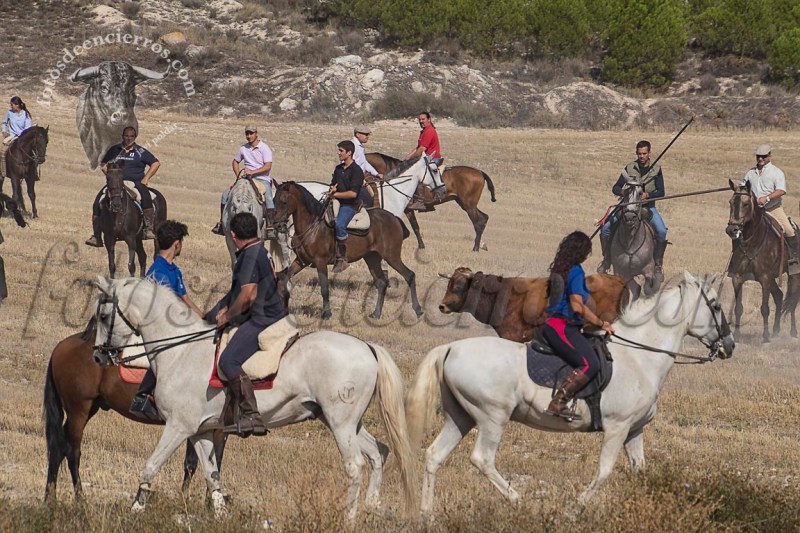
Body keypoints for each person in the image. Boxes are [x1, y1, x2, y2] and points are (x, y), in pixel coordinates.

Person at [206, 212, 284, 437]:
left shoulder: (248, 256)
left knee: (228, 361)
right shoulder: (259, 249)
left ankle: (252, 415)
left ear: (233, 235)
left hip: (263, 319)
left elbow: (248, 296)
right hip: (270, 312)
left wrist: (228, 316)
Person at [130, 220, 203, 420]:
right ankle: (142, 395)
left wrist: (202, 316)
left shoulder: (174, 269)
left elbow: (184, 298)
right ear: (176, 244)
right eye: (182, 243)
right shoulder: (157, 272)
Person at [543, 231, 614, 420]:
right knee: (591, 363)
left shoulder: (560, 268)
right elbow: (577, 306)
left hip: (554, 324)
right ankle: (558, 401)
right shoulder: (576, 271)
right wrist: (600, 323)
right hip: (562, 327)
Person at [598, 140, 667, 280]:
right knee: (605, 228)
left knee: (661, 231)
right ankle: (606, 260)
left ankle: (658, 265)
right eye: (639, 153)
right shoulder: (629, 168)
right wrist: (624, 192)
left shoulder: (656, 169)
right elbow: (615, 187)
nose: (642, 156)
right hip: (627, 206)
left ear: (649, 153)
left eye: (644, 153)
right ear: (636, 153)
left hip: (647, 207)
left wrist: (648, 195)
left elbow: (661, 192)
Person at [85, 126, 161, 246]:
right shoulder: (114, 150)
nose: (128, 139)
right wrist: (111, 177)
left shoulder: (140, 151)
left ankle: (148, 228)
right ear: (122, 136)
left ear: (135, 137)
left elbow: (156, 163)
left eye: (131, 136)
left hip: (135, 183)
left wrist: (146, 178)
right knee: (98, 201)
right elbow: (103, 164)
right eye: (126, 136)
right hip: (116, 184)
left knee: (146, 197)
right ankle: (96, 236)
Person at [742, 144, 799, 267]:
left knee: (789, 230)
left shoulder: (776, 172)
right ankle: (737, 261)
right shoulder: (750, 173)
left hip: (773, 208)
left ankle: (794, 259)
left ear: (769, 156)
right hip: (754, 211)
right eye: (758, 156)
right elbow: (743, 188)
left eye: (763, 156)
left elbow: (781, 190)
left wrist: (767, 198)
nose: (760, 159)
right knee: (737, 229)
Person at [212, 125, 274, 235]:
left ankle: (270, 226)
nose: (249, 136)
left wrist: (253, 172)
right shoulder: (243, 148)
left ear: (256, 134)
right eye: (247, 134)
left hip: (261, 179)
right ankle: (222, 223)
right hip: (246, 179)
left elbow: (267, 166)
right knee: (225, 195)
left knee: (268, 196)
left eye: (251, 133)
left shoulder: (264, 148)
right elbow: (235, 162)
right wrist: (238, 176)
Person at [329, 140, 364, 273]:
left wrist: (335, 194)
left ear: (349, 153)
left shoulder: (357, 171)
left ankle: (342, 258)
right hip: (336, 201)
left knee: (339, 225)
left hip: (350, 205)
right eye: (338, 150)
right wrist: (331, 189)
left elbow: (353, 194)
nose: (338, 153)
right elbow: (333, 184)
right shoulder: (338, 169)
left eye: (341, 151)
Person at [1, 96, 33, 179]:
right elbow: (4, 122)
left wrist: (22, 136)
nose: (11, 106)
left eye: (12, 105)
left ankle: (33, 174)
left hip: (23, 137)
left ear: (17, 105)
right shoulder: (9, 113)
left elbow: (28, 128)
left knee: (33, 154)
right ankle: (3, 172)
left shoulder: (25, 114)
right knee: (3, 151)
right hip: (12, 136)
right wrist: (4, 131)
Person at [351, 125, 381, 207]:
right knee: (368, 200)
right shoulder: (353, 146)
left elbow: (364, 163)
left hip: (360, 177)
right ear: (357, 134)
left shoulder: (359, 146)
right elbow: (349, 165)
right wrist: (359, 179)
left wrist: (376, 174)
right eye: (365, 134)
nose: (367, 137)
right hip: (354, 180)